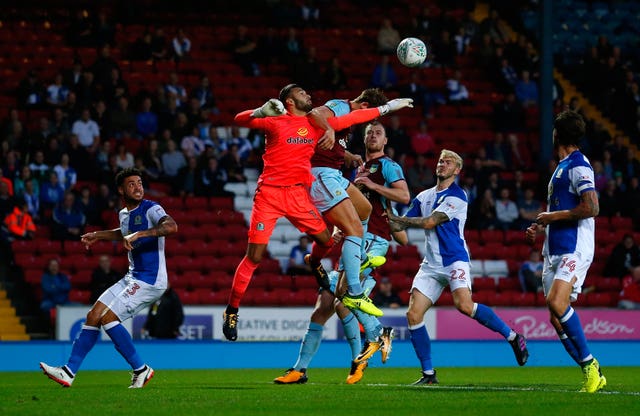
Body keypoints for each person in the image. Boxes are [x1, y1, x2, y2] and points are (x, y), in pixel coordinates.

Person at [222, 84, 413, 341]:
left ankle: (313, 262)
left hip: (298, 195)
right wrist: (259, 111)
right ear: (289, 101)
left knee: (326, 241)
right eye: (302, 93)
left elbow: (355, 117)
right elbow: (238, 120)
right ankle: (232, 310)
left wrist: (388, 107)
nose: (309, 95)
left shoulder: (314, 125)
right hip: (269, 196)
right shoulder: (275, 120)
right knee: (254, 257)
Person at [274, 121, 411, 385]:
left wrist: (372, 187)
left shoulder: (388, 166)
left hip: (372, 239)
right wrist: (338, 227)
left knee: (343, 297)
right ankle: (300, 369)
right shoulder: (356, 169)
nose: (372, 135)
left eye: (378, 132)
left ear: (385, 141)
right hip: (352, 238)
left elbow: (404, 196)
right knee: (324, 306)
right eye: (369, 131)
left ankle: (376, 335)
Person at [387, 149, 529, 386]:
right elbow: (400, 232)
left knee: (464, 305)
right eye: (441, 160)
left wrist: (396, 219)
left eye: (448, 162)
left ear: (457, 170)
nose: (442, 164)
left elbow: (429, 221)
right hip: (431, 264)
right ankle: (429, 374)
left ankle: (513, 337)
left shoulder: (457, 196)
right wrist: (385, 217)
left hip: (454, 260)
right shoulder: (424, 196)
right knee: (413, 314)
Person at [39, 167, 178, 388]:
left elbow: (171, 226)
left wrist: (141, 234)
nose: (138, 187)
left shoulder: (152, 208)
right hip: (132, 276)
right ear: (121, 190)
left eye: (140, 182)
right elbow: (122, 232)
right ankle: (68, 372)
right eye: (131, 184)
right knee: (94, 315)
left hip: (150, 279)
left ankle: (141, 369)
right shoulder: (124, 214)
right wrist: (98, 235)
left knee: (108, 318)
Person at [525, 110, 606, 393]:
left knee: (558, 304)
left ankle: (590, 365)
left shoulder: (579, 166)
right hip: (555, 247)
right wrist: (542, 225)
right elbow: (562, 210)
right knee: (554, 315)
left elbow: (592, 208)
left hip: (575, 247)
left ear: (557, 134)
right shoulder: (561, 167)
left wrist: (552, 216)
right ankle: (592, 371)